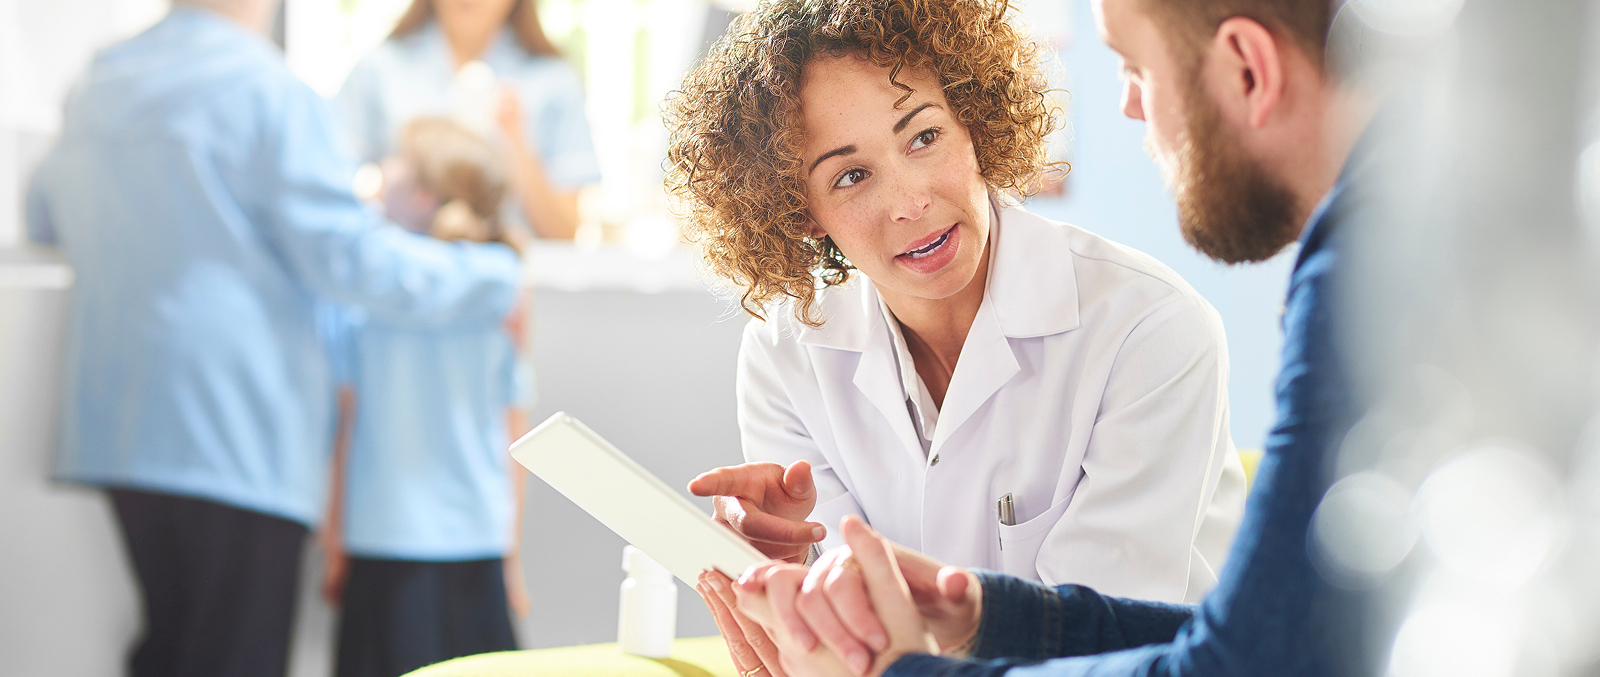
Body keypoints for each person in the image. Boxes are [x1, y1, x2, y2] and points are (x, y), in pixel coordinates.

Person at [722, 0, 1385, 675]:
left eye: (924, 136)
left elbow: (1195, 654)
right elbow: (843, 635)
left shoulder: (1156, 325)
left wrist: (901, 663)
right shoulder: (783, 357)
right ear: (803, 212)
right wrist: (790, 588)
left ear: (973, 120)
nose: (908, 201)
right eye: (852, 175)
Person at [22, 1, 524, 676]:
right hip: (235, 429)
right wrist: (489, 277)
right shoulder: (268, 90)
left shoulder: (101, 82)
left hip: (118, 425)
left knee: (170, 649)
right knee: (233, 657)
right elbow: (351, 260)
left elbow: (42, 210)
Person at [317, 118, 534, 677]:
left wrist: (334, 536)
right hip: (478, 536)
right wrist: (509, 551)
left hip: (381, 533)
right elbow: (515, 424)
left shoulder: (360, 292)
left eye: (394, 160)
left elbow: (346, 420)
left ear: (419, 193)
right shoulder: (505, 282)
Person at [336, 0, 600, 240]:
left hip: (516, 283)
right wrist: (389, 193)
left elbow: (566, 233)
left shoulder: (555, 82)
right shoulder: (379, 69)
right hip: (404, 278)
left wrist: (516, 144)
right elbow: (330, 190)